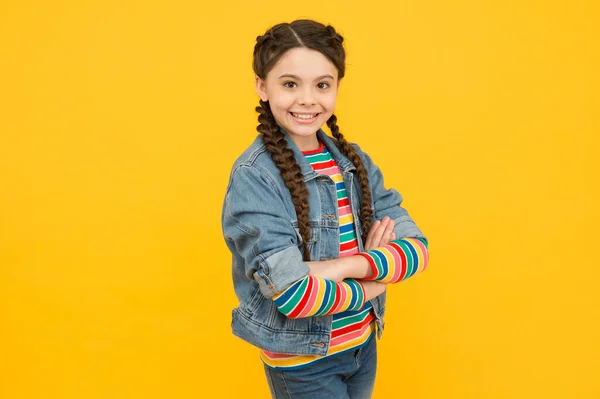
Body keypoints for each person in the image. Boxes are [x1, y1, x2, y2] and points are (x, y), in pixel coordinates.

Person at [221, 19, 429, 399]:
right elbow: (295, 296)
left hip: (362, 345)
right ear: (261, 87)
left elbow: (417, 250)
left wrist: (344, 267)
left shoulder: (354, 163)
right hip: (303, 362)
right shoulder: (255, 178)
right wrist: (374, 284)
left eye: (322, 84)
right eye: (289, 84)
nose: (307, 99)